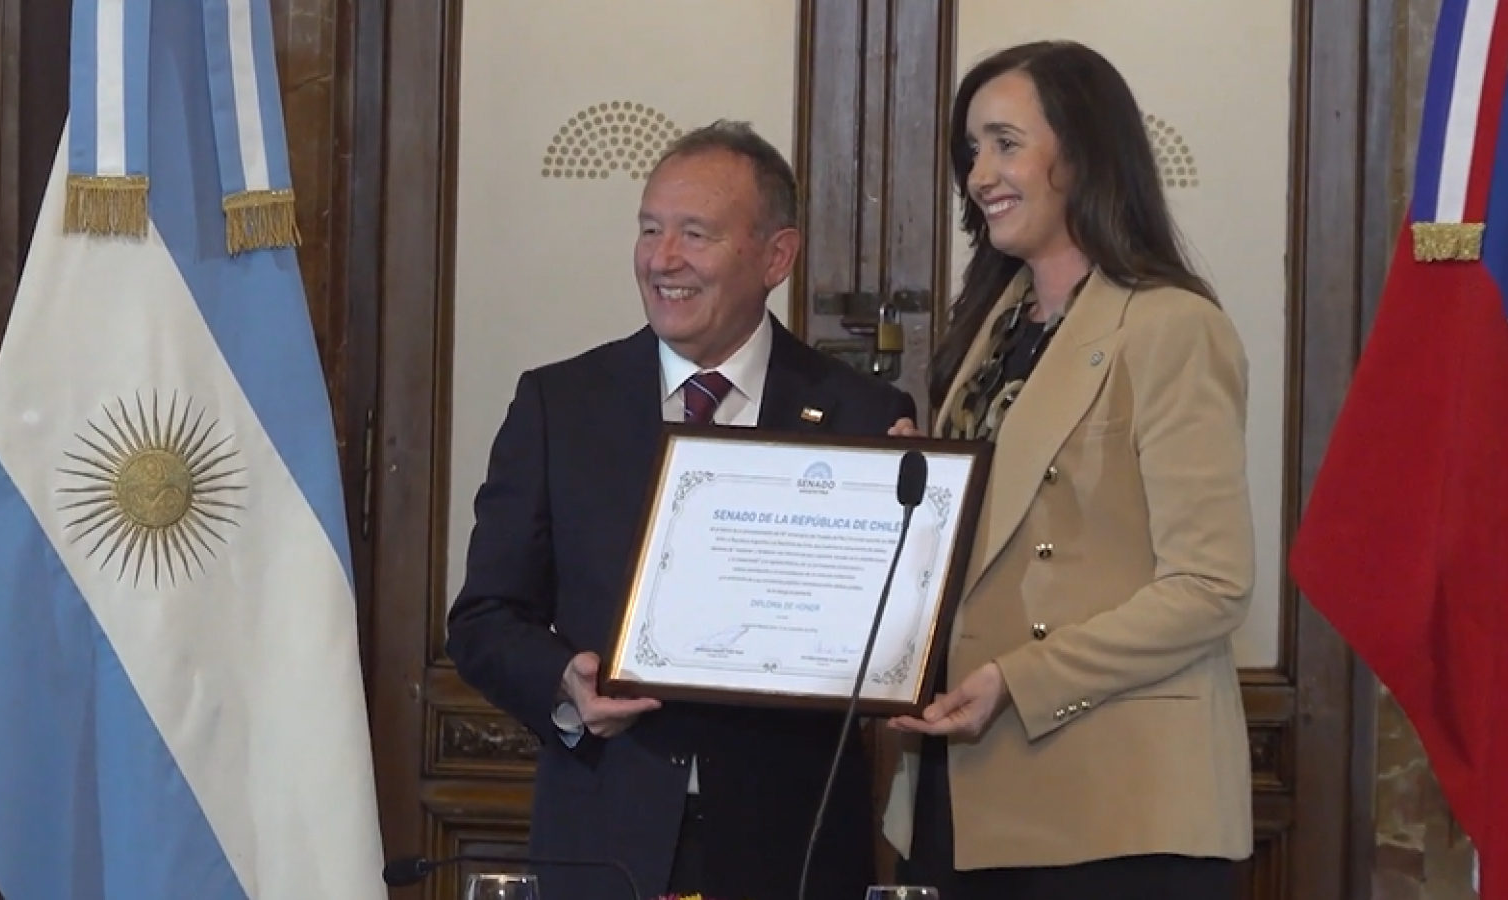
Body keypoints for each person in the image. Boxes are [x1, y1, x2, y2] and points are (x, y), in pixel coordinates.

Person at [446, 120, 917, 900]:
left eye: (694, 234)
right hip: (605, 840)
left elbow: (896, 643)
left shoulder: (862, 416)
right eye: (650, 230)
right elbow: (484, 618)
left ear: (776, 256)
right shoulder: (560, 405)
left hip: (789, 848)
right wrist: (566, 682)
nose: (662, 260)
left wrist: (919, 526)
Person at [878, 41, 1256, 900]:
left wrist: (1020, 680)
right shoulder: (989, 328)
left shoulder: (1171, 327)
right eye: (971, 150)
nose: (981, 174)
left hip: (1113, 811)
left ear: (1082, 154)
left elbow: (1212, 584)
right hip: (960, 787)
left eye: (1007, 143)